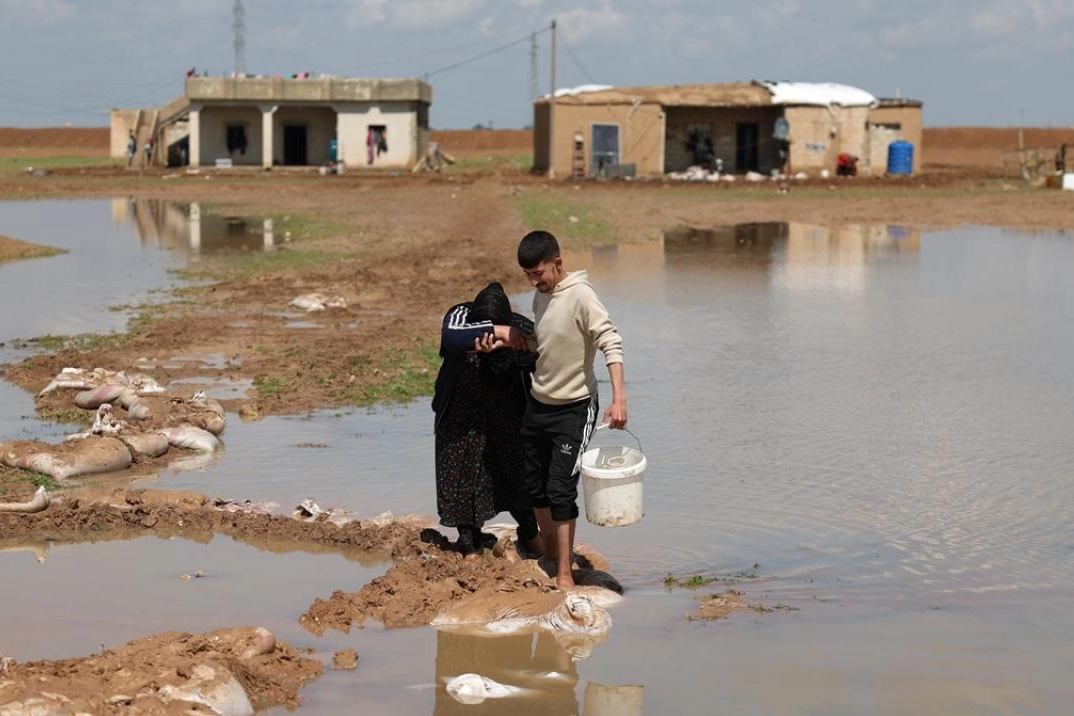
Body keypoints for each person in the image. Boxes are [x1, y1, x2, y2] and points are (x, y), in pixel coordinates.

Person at [513, 230, 627, 590]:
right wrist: (512, 339)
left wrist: (619, 399)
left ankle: (564, 575)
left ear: (558, 263)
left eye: (538, 273)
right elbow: (547, 342)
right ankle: (550, 555)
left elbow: (610, 342)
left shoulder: (581, 295)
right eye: (528, 275)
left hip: (574, 409)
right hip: (539, 403)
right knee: (535, 487)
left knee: (560, 489)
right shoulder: (541, 295)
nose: (534, 282)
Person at [432, 282, 543, 556]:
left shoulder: (520, 326)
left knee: (516, 471)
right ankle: (469, 542)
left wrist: (509, 349)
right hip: (460, 413)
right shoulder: (460, 315)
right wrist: (498, 333)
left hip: (507, 411)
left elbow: (543, 351)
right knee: (462, 474)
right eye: (483, 327)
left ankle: (530, 534)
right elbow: (452, 337)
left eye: (498, 326)